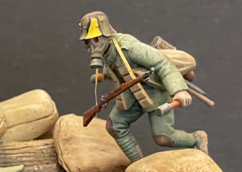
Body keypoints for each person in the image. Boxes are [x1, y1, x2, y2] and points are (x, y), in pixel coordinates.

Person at [79, 11, 208, 163]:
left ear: (106, 34)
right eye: (87, 42)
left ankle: (195, 140)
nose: (91, 47)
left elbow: (162, 63)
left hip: (156, 94)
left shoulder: (129, 47)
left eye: (94, 40)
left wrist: (179, 90)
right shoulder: (108, 51)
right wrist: (104, 76)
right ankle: (138, 165)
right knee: (115, 126)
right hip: (132, 95)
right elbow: (121, 69)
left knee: (163, 137)